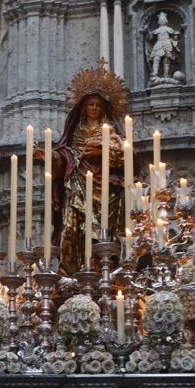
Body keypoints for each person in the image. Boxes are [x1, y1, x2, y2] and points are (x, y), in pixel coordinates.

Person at [44, 62, 130, 271]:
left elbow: (126, 156)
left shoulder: (110, 130)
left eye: (98, 105)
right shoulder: (75, 130)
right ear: (83, 106)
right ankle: (73, 268)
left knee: (103, 229)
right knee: (71, 225)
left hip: (106, 186)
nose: (94, 108)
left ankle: (102, 267)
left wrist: (103, 153)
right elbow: (66, 153)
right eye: (91, 104)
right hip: (76, 183)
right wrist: (52, 156)